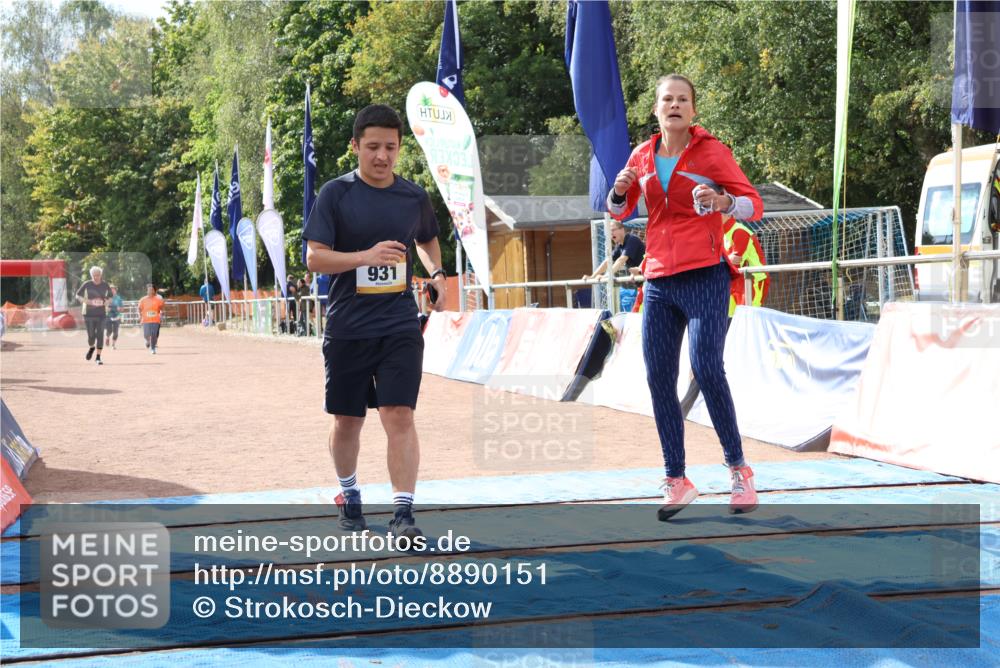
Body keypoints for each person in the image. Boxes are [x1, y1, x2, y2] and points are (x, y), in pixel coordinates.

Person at [607, 74, 764, 519]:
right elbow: (618, 210)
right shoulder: (641, 155)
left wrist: (723, 203)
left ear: (693, 110)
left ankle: (739, 470)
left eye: (682, 99)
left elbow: (754, 204)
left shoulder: (712, 152)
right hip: (658, 279)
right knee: (658, 377)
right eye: (667, 99)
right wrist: (619, 191)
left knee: (706, 366)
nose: (674, 105)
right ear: (656, 109)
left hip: (705, 275)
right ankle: (676, 479)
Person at [303, 104, 446, 539]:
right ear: (355, 146)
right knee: (348, 421)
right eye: (372, 147)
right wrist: (365, 257)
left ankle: (403, 513)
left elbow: (427, 239)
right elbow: (314, 258)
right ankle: (349, 494)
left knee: (399, 414)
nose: (382, 156)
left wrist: (437, 273)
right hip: (347, 328)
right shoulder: (335, 194)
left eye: (390, 147)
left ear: (399, 148)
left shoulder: (413, 197)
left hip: (398, 325)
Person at [722, 216, 769, 320]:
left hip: (753, 280)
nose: (713, 215)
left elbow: (735, 262)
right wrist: (726, 259)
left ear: (728, 214)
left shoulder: (739, 231)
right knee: (731, 320)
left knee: (749, 318)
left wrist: (723, 260)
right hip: (734, 281)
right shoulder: (723, 232)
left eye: (719, 212)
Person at [75, 266, 112, 365]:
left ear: (101, 275)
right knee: (91, 336)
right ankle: (92, 347)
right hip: (88, 314)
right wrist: (85, 301)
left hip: (101, 314)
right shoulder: (87, 284)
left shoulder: (105, 285)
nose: (96, 277)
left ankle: (98, 357)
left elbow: (111, 297)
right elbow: (77, 295)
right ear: (91, 275)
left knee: (100, 334)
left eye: (98, 275)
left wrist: (107, 302)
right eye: (94, 275)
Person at [138, 283, 165, 354]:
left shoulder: (158, 299)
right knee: (146, 334)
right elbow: (139, 308)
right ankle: (148, 341)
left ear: (154, 291)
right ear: (147, 291)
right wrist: (140, 316)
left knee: (154, 334)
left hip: (155, 320)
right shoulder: (143, 300)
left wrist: (161, 314)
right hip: (146, 320)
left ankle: (153, 349)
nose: (150, 291)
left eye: (152, 290)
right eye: (149, 290)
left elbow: (161, 308)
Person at [104, 285, 123, 349]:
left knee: (116, 332)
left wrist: (119, 309)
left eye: (113, 289)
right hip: (108, 316)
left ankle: (113, 345)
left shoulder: (119, 298)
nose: (112, 291)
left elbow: (122, 309)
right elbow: (104, 307)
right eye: (111, 290)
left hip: (117, 316)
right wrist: (106, 308)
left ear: (116, 290)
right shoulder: (106, 298)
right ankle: (107, 337)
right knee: (109, 330)